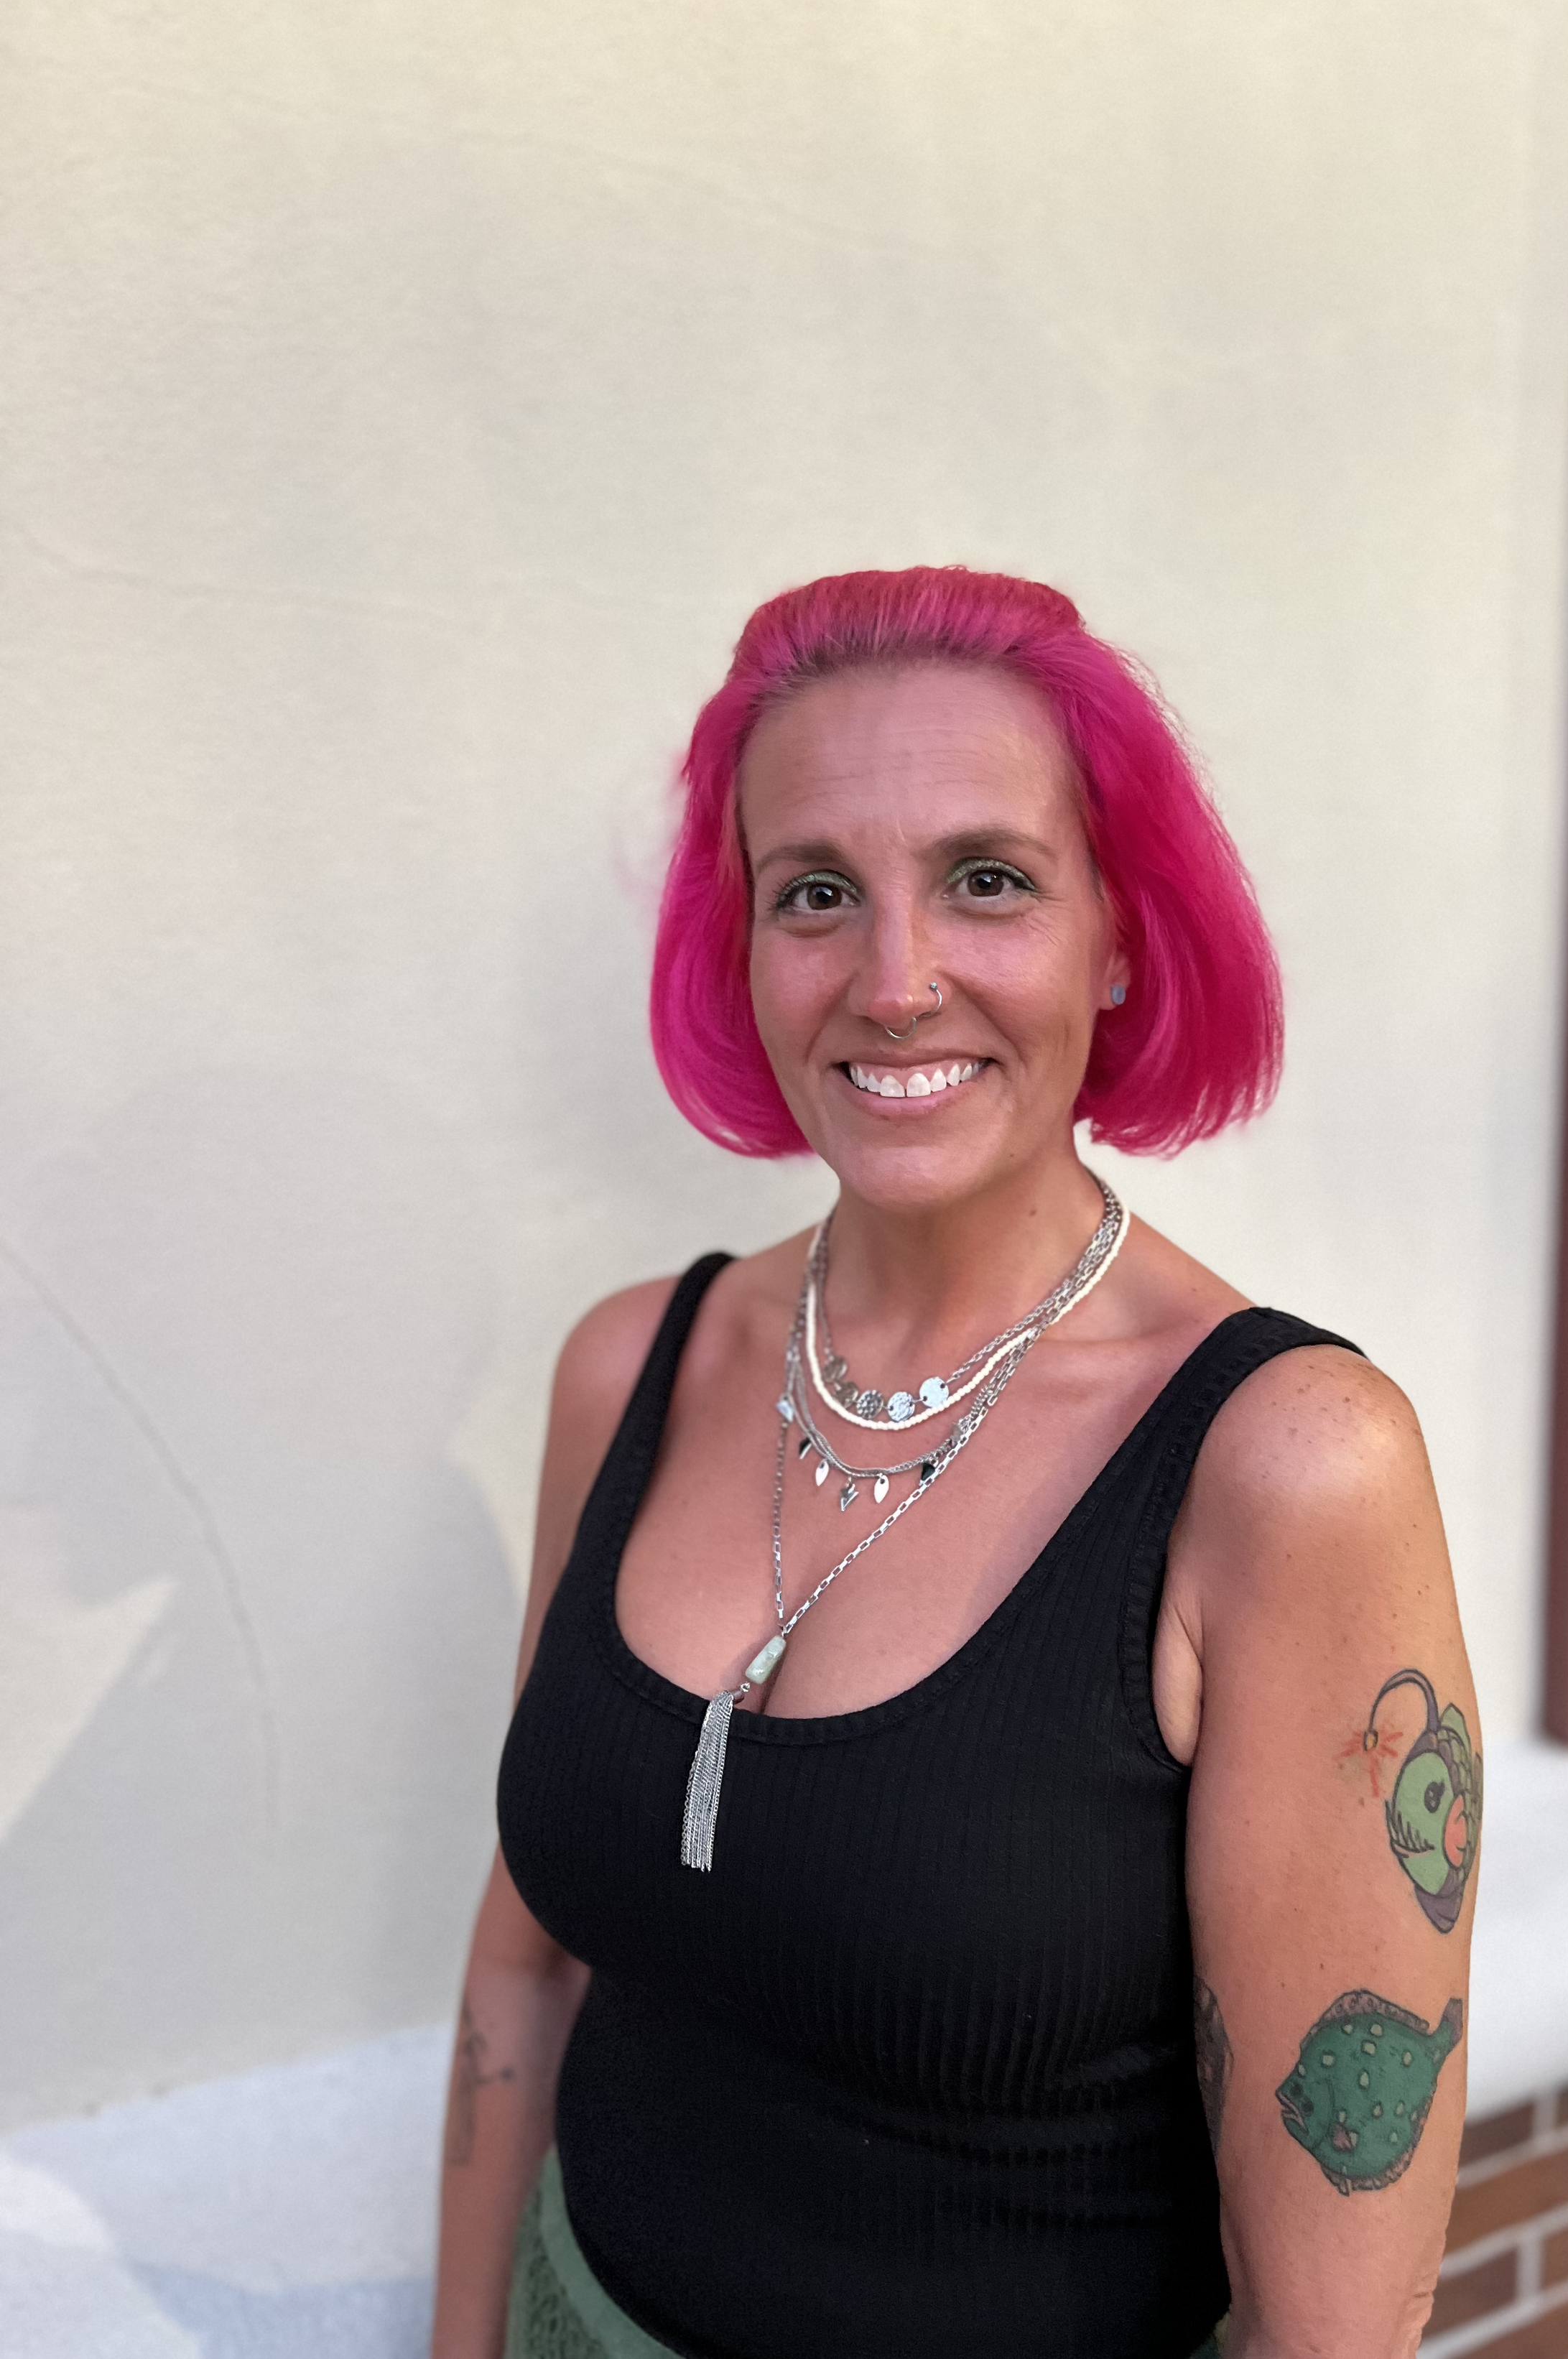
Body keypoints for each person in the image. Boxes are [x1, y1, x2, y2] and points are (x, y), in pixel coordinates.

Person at [430, 567, 1480, 2359]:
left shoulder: (1283, 1467)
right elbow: (526, 1963)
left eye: (986, 880)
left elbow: (1329, 2319)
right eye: (813, 893)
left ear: (1120, 935)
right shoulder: (634, 1367)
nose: (894, 981)